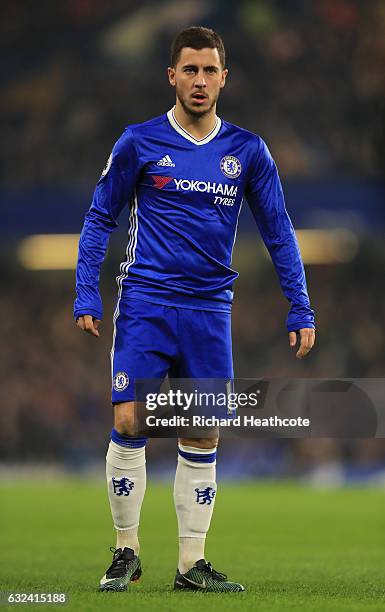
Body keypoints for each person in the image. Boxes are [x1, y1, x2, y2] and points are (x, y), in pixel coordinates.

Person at [74, 26, 315, 594]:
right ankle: (125, 552)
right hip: (145, 301)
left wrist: (300, 306)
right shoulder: (138, 141)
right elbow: (98, 218)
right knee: (130, 420)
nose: (200, 81)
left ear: (224, 78)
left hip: (210, 309)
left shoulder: (247, 151)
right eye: (190, 70)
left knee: (203, 432)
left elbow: (279, 231)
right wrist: (87, 290)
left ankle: (191, 566)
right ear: (172, 76)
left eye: (210, 71)